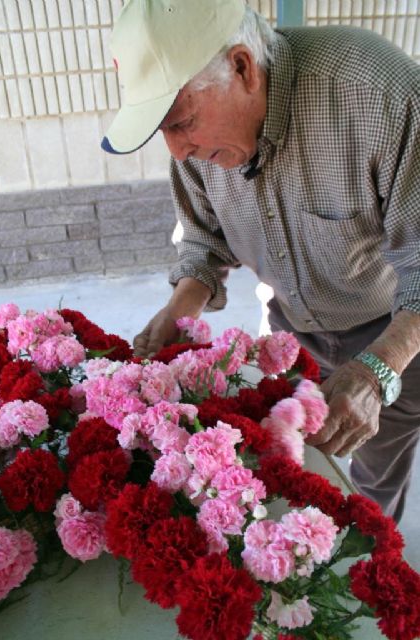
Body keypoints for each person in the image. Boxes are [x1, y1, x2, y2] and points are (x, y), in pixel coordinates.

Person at [101, 0, 420, 522]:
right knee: (297, 469)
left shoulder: (379, 96)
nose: (178, 151)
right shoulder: (198, 145)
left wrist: (376, 373)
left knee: (369, 488)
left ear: (243, 67)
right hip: (292, 330)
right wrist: (180, 310)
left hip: (394, 332)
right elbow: (204, 239)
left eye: (181, 123)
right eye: (163, 130)